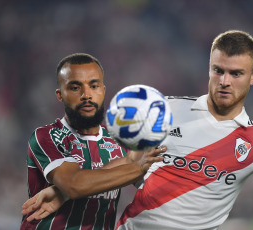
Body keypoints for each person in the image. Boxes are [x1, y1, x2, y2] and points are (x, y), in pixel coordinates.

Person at [22, 31, 253, 230]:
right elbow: (128, 165)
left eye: (236, 73)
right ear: (209, 68)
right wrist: (68, 191)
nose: (225, 81)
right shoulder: (163, 110)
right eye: (218, 70)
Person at [20, 53, 166, 230]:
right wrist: (136, 167)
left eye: (94, 86)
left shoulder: (120, 144)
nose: (86, 95)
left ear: (103, 91)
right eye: (75, 87)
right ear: (60, 95)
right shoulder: (47, 136)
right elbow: (74, 184)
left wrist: (62, 194)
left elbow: (155, 172)